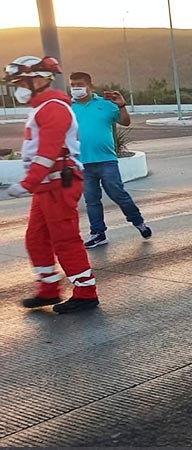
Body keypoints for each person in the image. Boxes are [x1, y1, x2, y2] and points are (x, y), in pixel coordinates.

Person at [3, 56, 99, 313]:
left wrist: (27, 182)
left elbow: (49, 150)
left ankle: (86, 293)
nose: (19, 89)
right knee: (36, 238)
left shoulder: (53, 107)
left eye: (21, 82)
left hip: (58, 184)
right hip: (47, 185)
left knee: (65, 239)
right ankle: (48, 289)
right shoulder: (42, 107)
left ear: (39, 80)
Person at [69, 71, 151, 248]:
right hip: (83, 162)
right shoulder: (68, 108)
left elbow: (125, 122)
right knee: (91, 200)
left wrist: (121, 106)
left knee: (119, 195)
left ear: (90, 86)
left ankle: (139, 223)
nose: (76, 88)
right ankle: (98, 233)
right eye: (73, 85)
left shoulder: (106, 105)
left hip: (106, 160)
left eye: (79, 84)